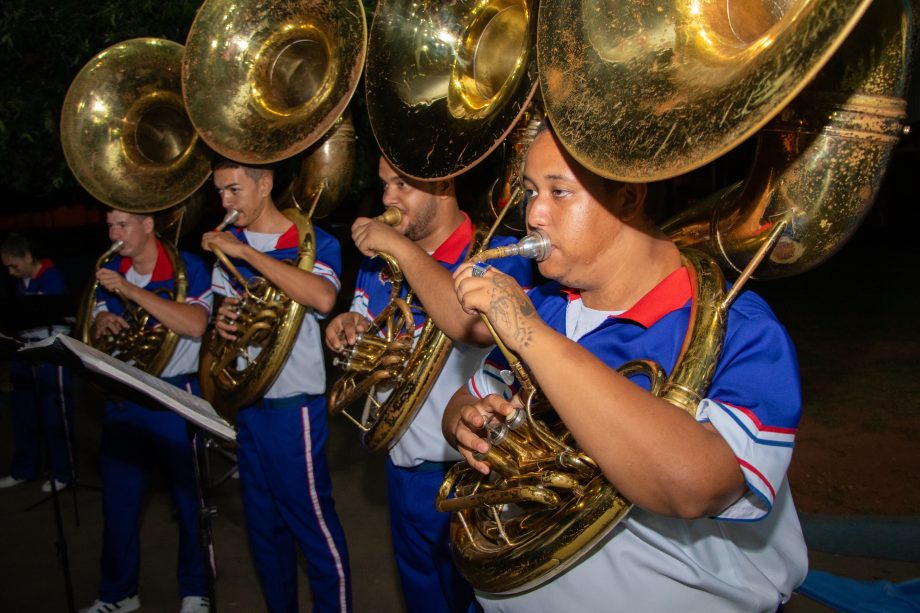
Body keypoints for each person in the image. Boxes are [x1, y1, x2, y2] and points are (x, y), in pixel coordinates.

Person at [443, 123, 808, 612]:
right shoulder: (551, 306)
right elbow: (467, 396)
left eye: (559, 192)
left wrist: (529, 334)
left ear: (629, 199)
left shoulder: (737, 327)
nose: (533, 213)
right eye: (531, 191)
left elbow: (696, 487)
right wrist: (466, 421)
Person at [324, 156, 532, 613]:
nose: (387, 199)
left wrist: (400, 249)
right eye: (383, 186)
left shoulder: (497, 254)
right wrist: (349, 326)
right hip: (399, 468)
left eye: (402, 184)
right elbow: (369, 331)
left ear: (444, 184)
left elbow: (467, 324)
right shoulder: (379, 263)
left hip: (471, 475)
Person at [201, 159, 351, 613]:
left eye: (233, 190)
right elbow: (224, 321)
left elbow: (323, 297)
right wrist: (222, 322)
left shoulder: (311, 241)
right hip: (248, 407)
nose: (224, 203)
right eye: (220, 194)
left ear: (264, 184)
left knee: (314, 530)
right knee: (264, 534)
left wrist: (247, 255)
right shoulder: (230, 247)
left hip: (293, 410)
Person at [82, 210, 213, 613]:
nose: (114, 233)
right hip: (125, 399)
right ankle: (118, 594)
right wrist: (102, 316)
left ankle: (196, 590)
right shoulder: (109, 270)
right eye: (109, 226)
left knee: (188, 501)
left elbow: (194, 324)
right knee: (118, 504)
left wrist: (130, 293)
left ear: (148, 225)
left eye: (122, 225)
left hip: (174, 395)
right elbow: (91, 327)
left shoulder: (185, 266)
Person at [1, 233, 75, 493]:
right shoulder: (20, 283)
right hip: (25, 351)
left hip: (51, 354)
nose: (11, 272)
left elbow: (60, 316)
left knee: (54, 415)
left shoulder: (52, 277)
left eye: (14, 265)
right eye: (7, 267)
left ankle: (63, 473)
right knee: (23, 413)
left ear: (28, 257)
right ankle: (23, 469)